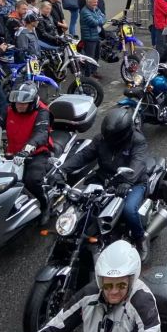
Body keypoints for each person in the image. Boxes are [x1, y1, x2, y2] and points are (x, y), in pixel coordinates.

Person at [28, 240, 161, 332]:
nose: (114, 291)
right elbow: (54, 329)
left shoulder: (143, 303)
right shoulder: (89, 294)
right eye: (108, 285)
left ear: (131, 281)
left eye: (121, 285)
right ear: (100, 282)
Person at [59, 109, 152, 260]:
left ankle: (140, 238)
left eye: (112, 136)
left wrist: (127, 182)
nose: (108, 139)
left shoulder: (137, 140)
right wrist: (62, 169)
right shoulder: (101, 139)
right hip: (104, 178)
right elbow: (83, 156)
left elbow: (138, 163)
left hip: (133, 182)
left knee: (129, 210)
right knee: (80, 202)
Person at [4, 81, 53, 224]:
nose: (19, 105)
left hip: (36, 152)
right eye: (17, 102)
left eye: (24, 103)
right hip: (12, 152)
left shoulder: (42, 112)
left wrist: (26, 150)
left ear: (32, 101)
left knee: (31, 180)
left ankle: (45, 205)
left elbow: (41, 134)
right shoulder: (10, 109)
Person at [79, 0, 105, 76]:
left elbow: (104, 17)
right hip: (89, 38)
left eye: (96, 2)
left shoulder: (95, 8)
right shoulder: (85, 11)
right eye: (94, 2)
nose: (96, 4)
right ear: (88, 2)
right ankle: (88, 74)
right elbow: (94, 23)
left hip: (96, 36)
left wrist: (99, 19)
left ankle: (94, 71)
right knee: (89, 57)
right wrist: (100, 19)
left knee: (96, 55)